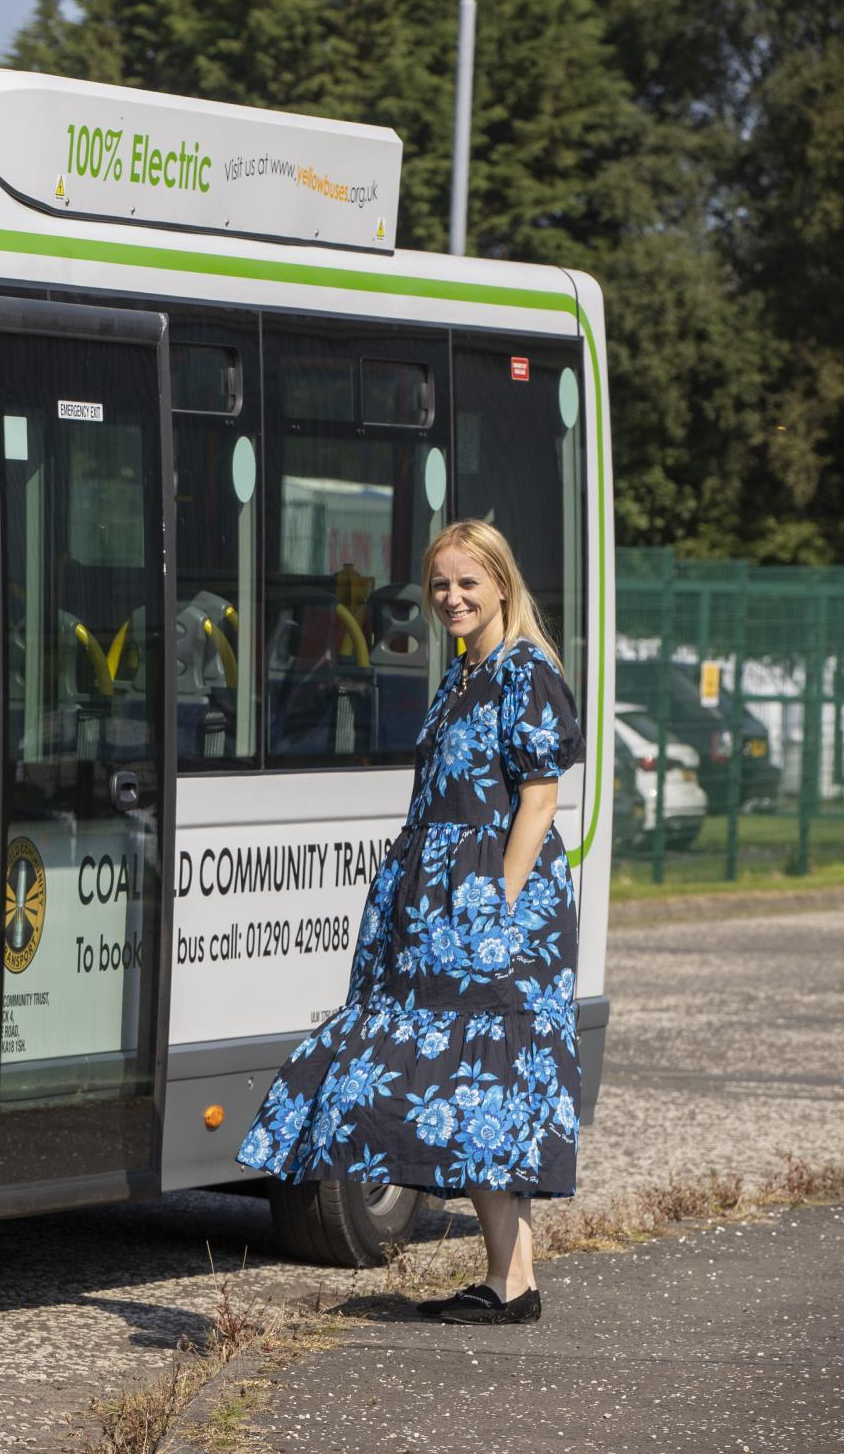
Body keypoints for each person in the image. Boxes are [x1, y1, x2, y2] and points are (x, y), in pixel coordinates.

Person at [235, 518, 583, 1323]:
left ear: (501, 583)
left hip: (489, 907)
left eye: (467, 582)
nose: (452, 597)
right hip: (435, 904)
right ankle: (513, 1280)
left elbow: (538, 794)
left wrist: (499, 897)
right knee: (471, 1083)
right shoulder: (467, 671)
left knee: (480, 1077)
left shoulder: (524, 670)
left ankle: (512, 1282)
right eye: (440, 585)